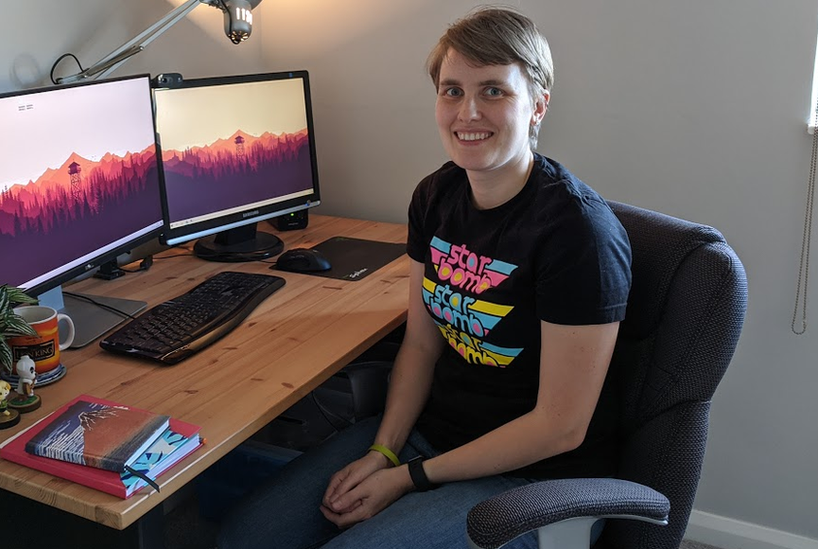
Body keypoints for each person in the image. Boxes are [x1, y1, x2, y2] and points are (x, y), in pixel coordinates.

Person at [217, 7, 631, 548]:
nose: (468, 112)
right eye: (452, 91)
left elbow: (560, 425)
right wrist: (384, 452)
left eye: (494, 91)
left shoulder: (579, 234)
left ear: (538, 105)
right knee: (244, 539)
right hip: (428, 439)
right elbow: (420, 343)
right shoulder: (436, 196)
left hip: (528, 477)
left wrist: (406, 479)